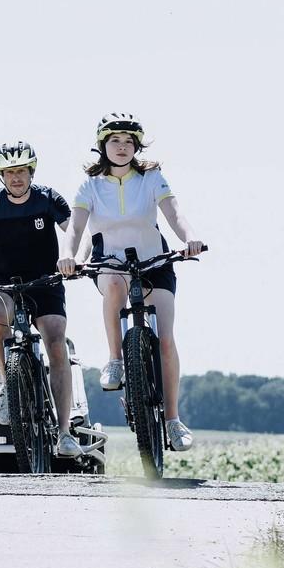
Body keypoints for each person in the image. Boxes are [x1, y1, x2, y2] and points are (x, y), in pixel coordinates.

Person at [66, 111, 207, 451]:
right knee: (114, 286)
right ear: (103, 145)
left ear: (137, 147)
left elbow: (174, 213)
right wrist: (68, 255)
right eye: (115, 140)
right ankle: (115, 359)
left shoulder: (152, 177)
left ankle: (172, 420)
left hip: (153, 261)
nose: (122, 147)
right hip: (109, 261)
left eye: (129, 142)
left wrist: (190, 238)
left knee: (166, 340)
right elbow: (76, 226)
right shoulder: (90, 185)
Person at [0, 141, 83, 460]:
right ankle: (10, 384)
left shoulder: (47, 199)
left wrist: (73, 258)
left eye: (21, 171)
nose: (16, 178)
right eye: (9, 173)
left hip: (46, 282)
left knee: (55, 338)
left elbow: (74, 230)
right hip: (4, 283)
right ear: (1, 176)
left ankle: (64, 432)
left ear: (31, 172)